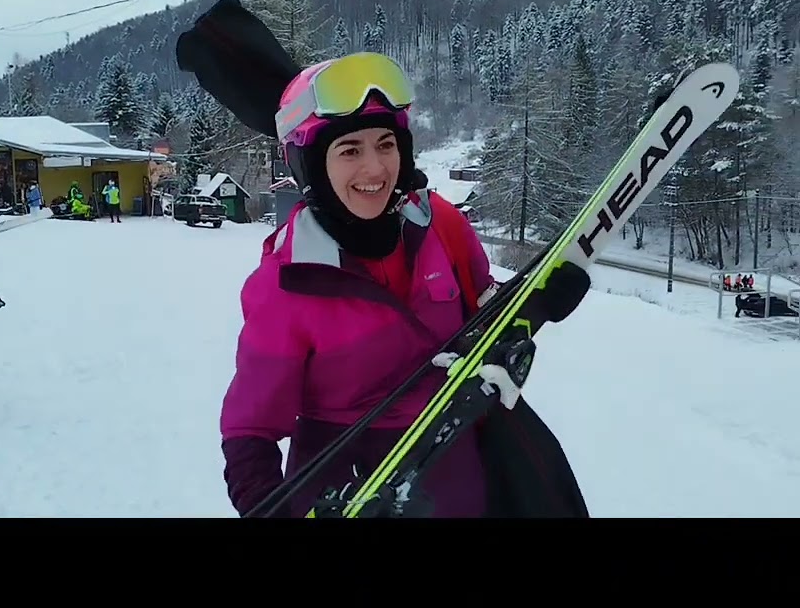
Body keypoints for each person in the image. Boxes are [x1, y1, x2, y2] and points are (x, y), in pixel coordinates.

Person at [217, 51, 589, 518]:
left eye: (386, 145)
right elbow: (249, 429)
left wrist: (536, 302)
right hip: (354, 494)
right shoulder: (287, 283)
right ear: (311, 165)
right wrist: (265, 509)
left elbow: (486, 318)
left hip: (467, 482)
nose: (375, 169)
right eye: (350, 150)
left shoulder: (442, 225)